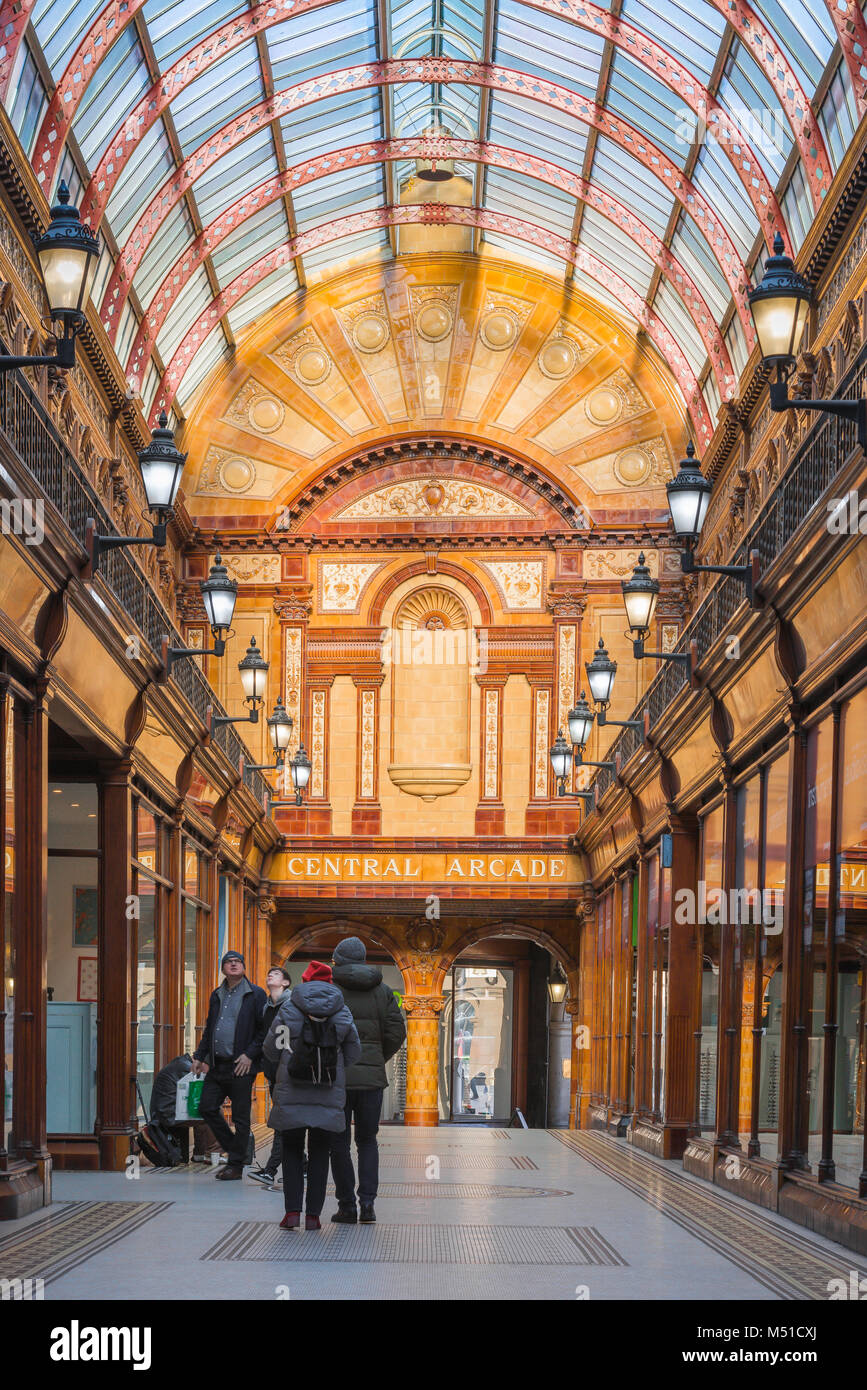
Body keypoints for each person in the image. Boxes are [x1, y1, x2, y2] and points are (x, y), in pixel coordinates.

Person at [263, 960, 360, 1231]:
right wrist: (334, 1065)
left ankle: (292, 1212)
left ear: (304, 981)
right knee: (320, 1151)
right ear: (330, 983)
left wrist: (286, 1058)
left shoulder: (289, 1007)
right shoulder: (342, 1012)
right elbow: (354, 1052)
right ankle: (313, 1216)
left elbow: (271, 1048)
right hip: (327, 1090)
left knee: (292, 1149)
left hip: (291, 1087)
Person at [328, 936, 406, 1225]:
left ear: (337, 959)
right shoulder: (383, 990)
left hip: (337, 1079)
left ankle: (346, 1206)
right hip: (371, 1080)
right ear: (362, 959)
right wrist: (375, 1058)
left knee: (339, 1142)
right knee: (367, 1141)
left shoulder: (331, 988)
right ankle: (369, 1205)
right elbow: (397, 1031)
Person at [193, 950, 268, 1180]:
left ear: (244, 967)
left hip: (241, 1066)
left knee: (241, 1117)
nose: (234, 965)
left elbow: (263, 1031)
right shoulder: (217, 994)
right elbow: (210, 1028)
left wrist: (249, 1055)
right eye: (229, 962)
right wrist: (199, 1056)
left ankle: (235, 1166)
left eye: (238, 962)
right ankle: (236, 1150)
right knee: (206, 1107)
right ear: (223, 968)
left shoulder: (256, 994)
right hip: (217, 1066)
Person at [247, 966, 291, 1189]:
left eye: (277, 974)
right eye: (269, 973)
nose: (270, 975)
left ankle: (271, 1170)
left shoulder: (291, 1006)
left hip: (287, 1074)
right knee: (285, 1123)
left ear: (285, 983)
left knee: (281, 1123)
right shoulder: (266, 1008)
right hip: (273, 1073)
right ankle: (301, 1168)